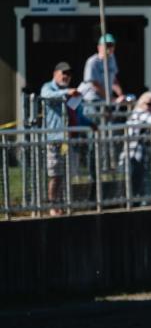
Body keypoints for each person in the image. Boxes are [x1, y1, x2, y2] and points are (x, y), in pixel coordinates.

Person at [40, 61, 83, 215]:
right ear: (55, 73)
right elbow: (46, 96)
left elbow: (78, 113)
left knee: (66, 174)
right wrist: (66, 93)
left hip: (68, 140)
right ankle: (53, 206)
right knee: (55, 175)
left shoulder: (71, 92)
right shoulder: (48, 87)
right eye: (63, 73)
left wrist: (91, 124)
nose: (66, 76)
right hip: (54, 139)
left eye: (69, 74)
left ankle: (64, 204)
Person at [80, 34, 123, 126]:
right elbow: (94, 84)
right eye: (107, 45)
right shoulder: (92, 62)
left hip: (106, 101)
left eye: (111, 45)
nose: (109, 48)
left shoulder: (112, 59)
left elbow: (114, 79)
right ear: (99, 47)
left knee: (108, 128)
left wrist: (121, 95)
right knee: (95, 129)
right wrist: (111, 99)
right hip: (92, 101)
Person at [123, 91, 151, 201]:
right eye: (149, 104)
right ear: (142, 104)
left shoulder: (146, 114)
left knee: (140, 182)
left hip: (141, 155)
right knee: (134, 183)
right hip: (133, 155)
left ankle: (140, 201)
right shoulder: (139, 113)